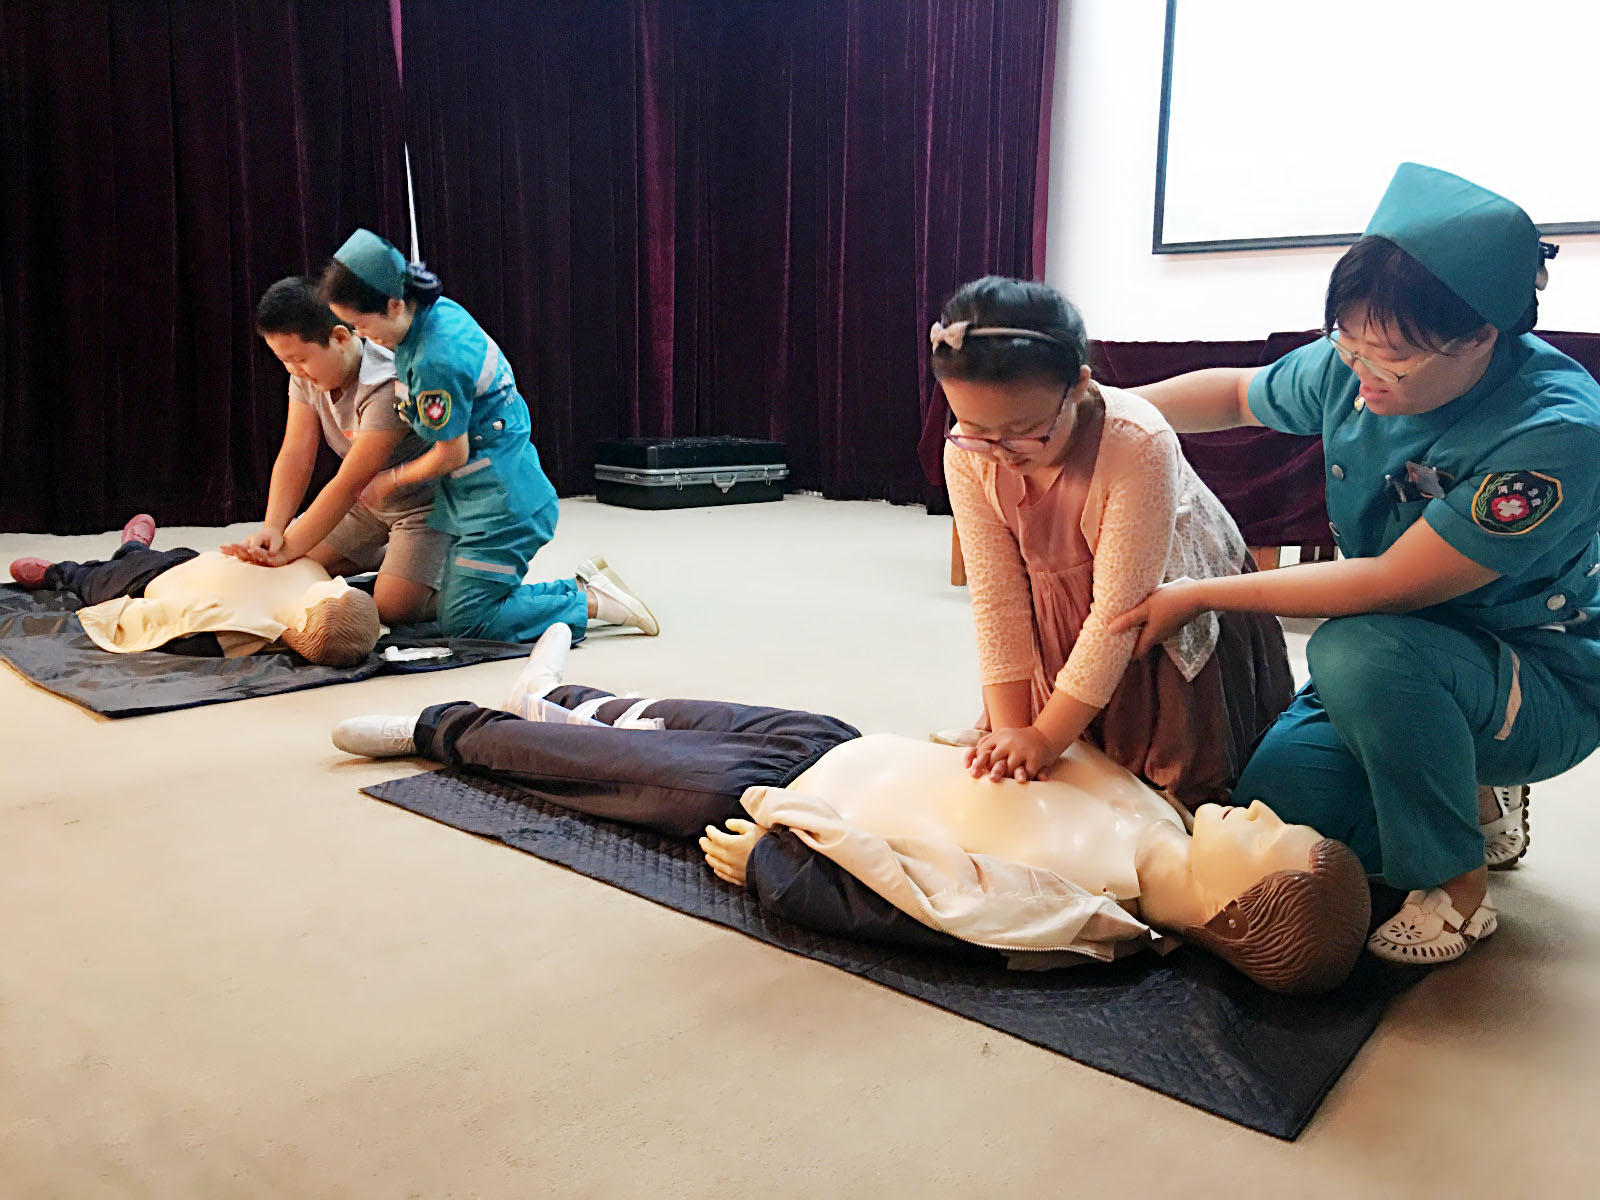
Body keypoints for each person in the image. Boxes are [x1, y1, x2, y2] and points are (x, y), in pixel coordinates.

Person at [1112, 163, 1600, 965]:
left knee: (1354, 646)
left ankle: (1458, 883)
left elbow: (1388, 585)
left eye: (1393, 359)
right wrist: (1107, 410)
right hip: (1409, 657)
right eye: (1348, 341)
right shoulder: (1361, 363)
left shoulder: (1554, 433)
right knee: (1282, 813)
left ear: (1482, 337)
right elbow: (1236, 395)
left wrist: (1199, 594)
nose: (1362, 374)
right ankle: (1466, 790)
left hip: (1536, 676)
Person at [330, 627, 1370, 996]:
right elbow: (1061, 758)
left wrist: (770, 864)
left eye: (1268, 839)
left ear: (1236, 907)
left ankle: (447, 726)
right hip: (836, 743)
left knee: (601, 767)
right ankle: (557, 690)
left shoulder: (1076, 920)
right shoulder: (1164, 817)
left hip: (779, 801)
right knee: (668, 711)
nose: (1259, 813)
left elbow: (902, 909)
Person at [932, 277, 1292, 810]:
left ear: (1078, 386)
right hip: (1068, 608)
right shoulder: (968, 454)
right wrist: (1012, 733)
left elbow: (1117, 616)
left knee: (1158, 797)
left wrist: (1046, 736)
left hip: (1153, 616)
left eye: (1025, 430)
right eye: (974, 428)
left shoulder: (1136, 442)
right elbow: (997, 598)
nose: (1000, 451)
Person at [315, 228, 658, 643]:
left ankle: (591, 603)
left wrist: (391, 480)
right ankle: (581, 586)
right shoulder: (433, 314)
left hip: (502, 504)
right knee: (457, 602)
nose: (359, 335)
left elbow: (451, 454)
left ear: (393, 304)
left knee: (466, 621)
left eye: (360, 324)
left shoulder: (434, 360)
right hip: (482, 492)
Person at [219, 276, 448, 625]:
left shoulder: (386, 385)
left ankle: (451, 571)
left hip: (422, 506)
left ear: (340, 338)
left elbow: (348, 484)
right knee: (294, 564)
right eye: (284, 361)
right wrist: (273, 530)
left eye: (299, 359)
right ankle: (390, 557)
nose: (294, 370)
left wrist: (286, 549)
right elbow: (295, 453)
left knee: (392, 610)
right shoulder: (304, 376)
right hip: (368, 503)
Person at [9, 515, 379, 666]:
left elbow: (168, 624)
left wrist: (116, 615)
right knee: (140, 559)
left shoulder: (246, 627)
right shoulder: (313, 575)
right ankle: (133, 548)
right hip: (191, 562)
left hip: (151, 582)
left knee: (97, 579)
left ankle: (61, 572)